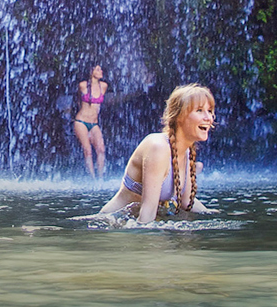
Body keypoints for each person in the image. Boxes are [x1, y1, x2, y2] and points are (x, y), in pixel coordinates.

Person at [98, 83, 214, 223]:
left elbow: (186, 202)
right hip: (112, 225)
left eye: (210, 110)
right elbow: (147, 212)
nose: (208, 117)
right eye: (200, 110)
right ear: (179, 116)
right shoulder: (158, 147)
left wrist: (216, 216)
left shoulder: (186, 151)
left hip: (131, 223)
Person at [72, 64, 109, 180]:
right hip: (81, 121)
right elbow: (77, 99)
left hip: (94, 123)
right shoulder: (83, 85)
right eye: (98, 69)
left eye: (101, 69)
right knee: (87, 150)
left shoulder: (103, 86)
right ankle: (92, 179)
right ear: (91, 71)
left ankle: (100, 179)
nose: (101, 71)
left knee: (101, 149)